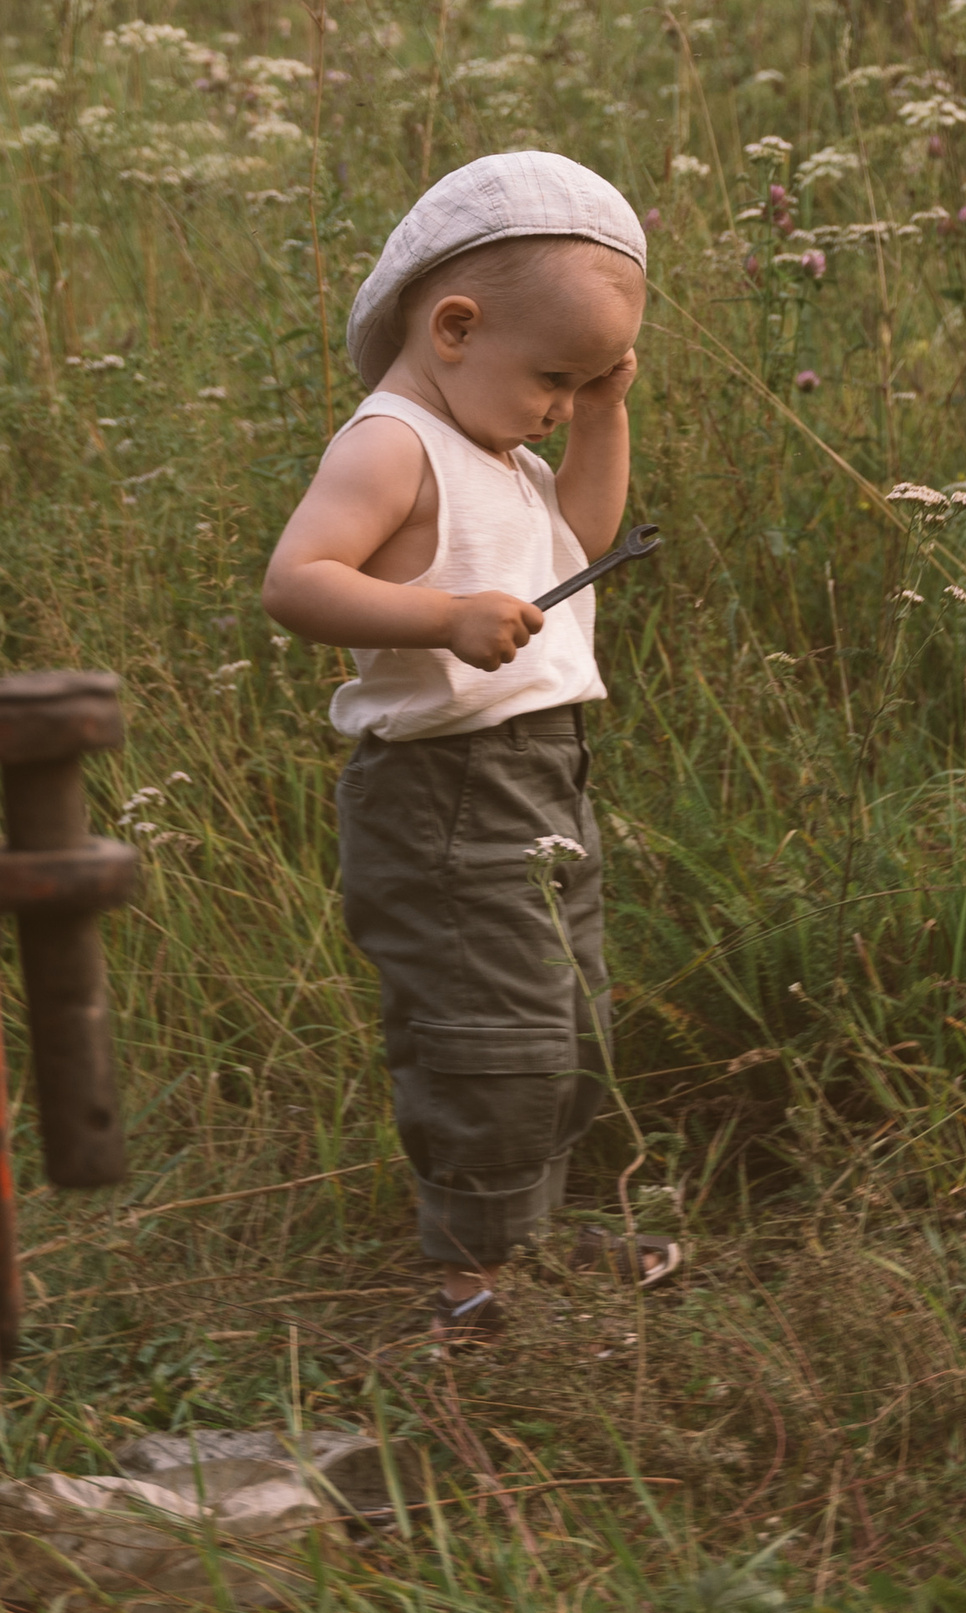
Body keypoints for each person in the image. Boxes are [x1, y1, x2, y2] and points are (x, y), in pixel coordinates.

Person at [262, 149, 680, 1339]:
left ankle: (528, 1239)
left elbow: (575, 540)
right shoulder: (390, 443)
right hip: (447, 792)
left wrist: (602, 414)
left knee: (564, 1017)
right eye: (555, 375)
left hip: (543, 772)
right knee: (488, 1034)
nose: (560, 402)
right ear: (452, 326)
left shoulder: (502, 451)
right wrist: (440, 616)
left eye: (584, 382)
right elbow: (297, 584)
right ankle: (469, 1280)